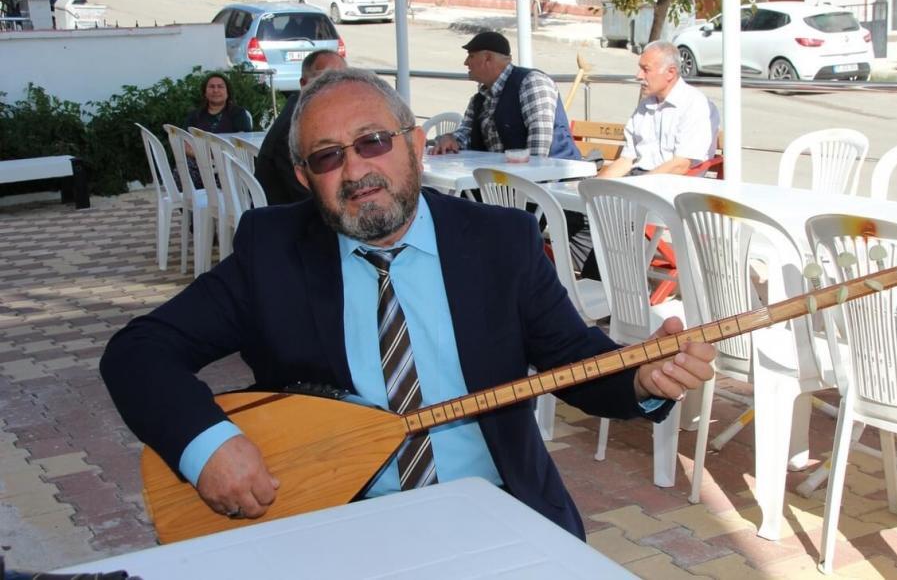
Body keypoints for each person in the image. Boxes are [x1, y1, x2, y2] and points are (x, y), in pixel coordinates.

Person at [100, 68, 715, 540]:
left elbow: (573, 359)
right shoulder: (273, 251)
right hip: (336, 522)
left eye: (373, 142)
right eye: (327, 157)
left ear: (416, 144)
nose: (355, 171)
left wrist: (641, 377)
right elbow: (137, 352)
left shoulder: (499, 243)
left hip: (495, 506)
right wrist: (206, 444)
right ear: (304, 177)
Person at [431, 31, 581, 160]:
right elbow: (467, 134)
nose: (466, 63)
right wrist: (450, 139)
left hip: (556, 177)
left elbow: (539, 146)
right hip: (507, 178)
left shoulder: (531, 82)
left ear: (488, 58)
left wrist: (523, 180)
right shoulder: (479, 99)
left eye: (471, 56)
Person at [598, 41, 719, 178]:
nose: (639, 75)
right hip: (639, 179)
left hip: (671, 184)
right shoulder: (645, 105)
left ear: (670, 73)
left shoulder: (695, 105)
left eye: (646, 69)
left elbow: (681, 165)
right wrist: (593, 186)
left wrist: (636, 185)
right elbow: (627, 160)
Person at [255, 50, 346, 205]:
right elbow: (308, 197)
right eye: (325, 78)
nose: (335, 85)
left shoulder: (301, 111)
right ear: (304, 84)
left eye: (343, 78)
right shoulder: (297, 127)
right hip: (289, 213)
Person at [182, 72, 253, 189]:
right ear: (205, 92)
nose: (216, 90)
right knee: (183, 170)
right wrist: (205, 156)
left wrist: (216, 154)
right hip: (198, 162)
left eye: (220, 86)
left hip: (228, 162)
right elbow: (185, 143)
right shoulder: (195, 115)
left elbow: (243, 141)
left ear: (227, 92)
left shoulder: (238, 114)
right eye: (211, 87)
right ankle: (193, 200)